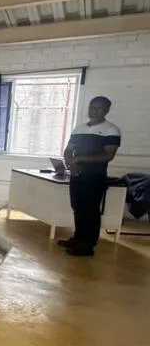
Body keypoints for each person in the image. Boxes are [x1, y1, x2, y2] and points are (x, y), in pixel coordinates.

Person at [58, 96, 121, 257]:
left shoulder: (111, 130)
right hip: (77, 174)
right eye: (92, 107)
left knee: (91, 210)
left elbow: (108, 155)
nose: (95, 111)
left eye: (99, 108)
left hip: (94, 176)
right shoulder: (79, 129)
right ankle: (78, 238)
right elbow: (68, 150)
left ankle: (87, 246)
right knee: (77, 207)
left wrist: (79, 159)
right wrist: (71, 164)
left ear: (106, 110)